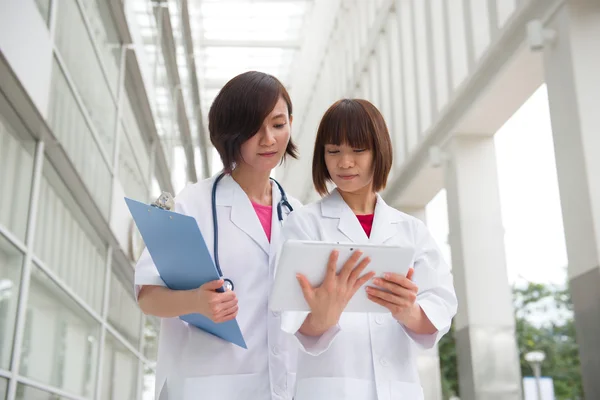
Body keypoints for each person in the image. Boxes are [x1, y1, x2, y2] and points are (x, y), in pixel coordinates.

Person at [134, 71, 303, 400]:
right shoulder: (192, 203)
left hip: (282, 387)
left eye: (278, 125)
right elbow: (147, 295)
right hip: (208, 385)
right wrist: (196, 301)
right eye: (254, 128)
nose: (268, 139)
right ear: (230, 134)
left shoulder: (297, 213)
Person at [281, 99, 458, 400]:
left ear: (380, 151)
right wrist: (325, 314)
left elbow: (440, 308)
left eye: (358, 150)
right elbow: (291, 324)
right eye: (333, 151)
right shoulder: (303, 225)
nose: (344, 163)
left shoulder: (410, 231)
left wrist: (408, 311)